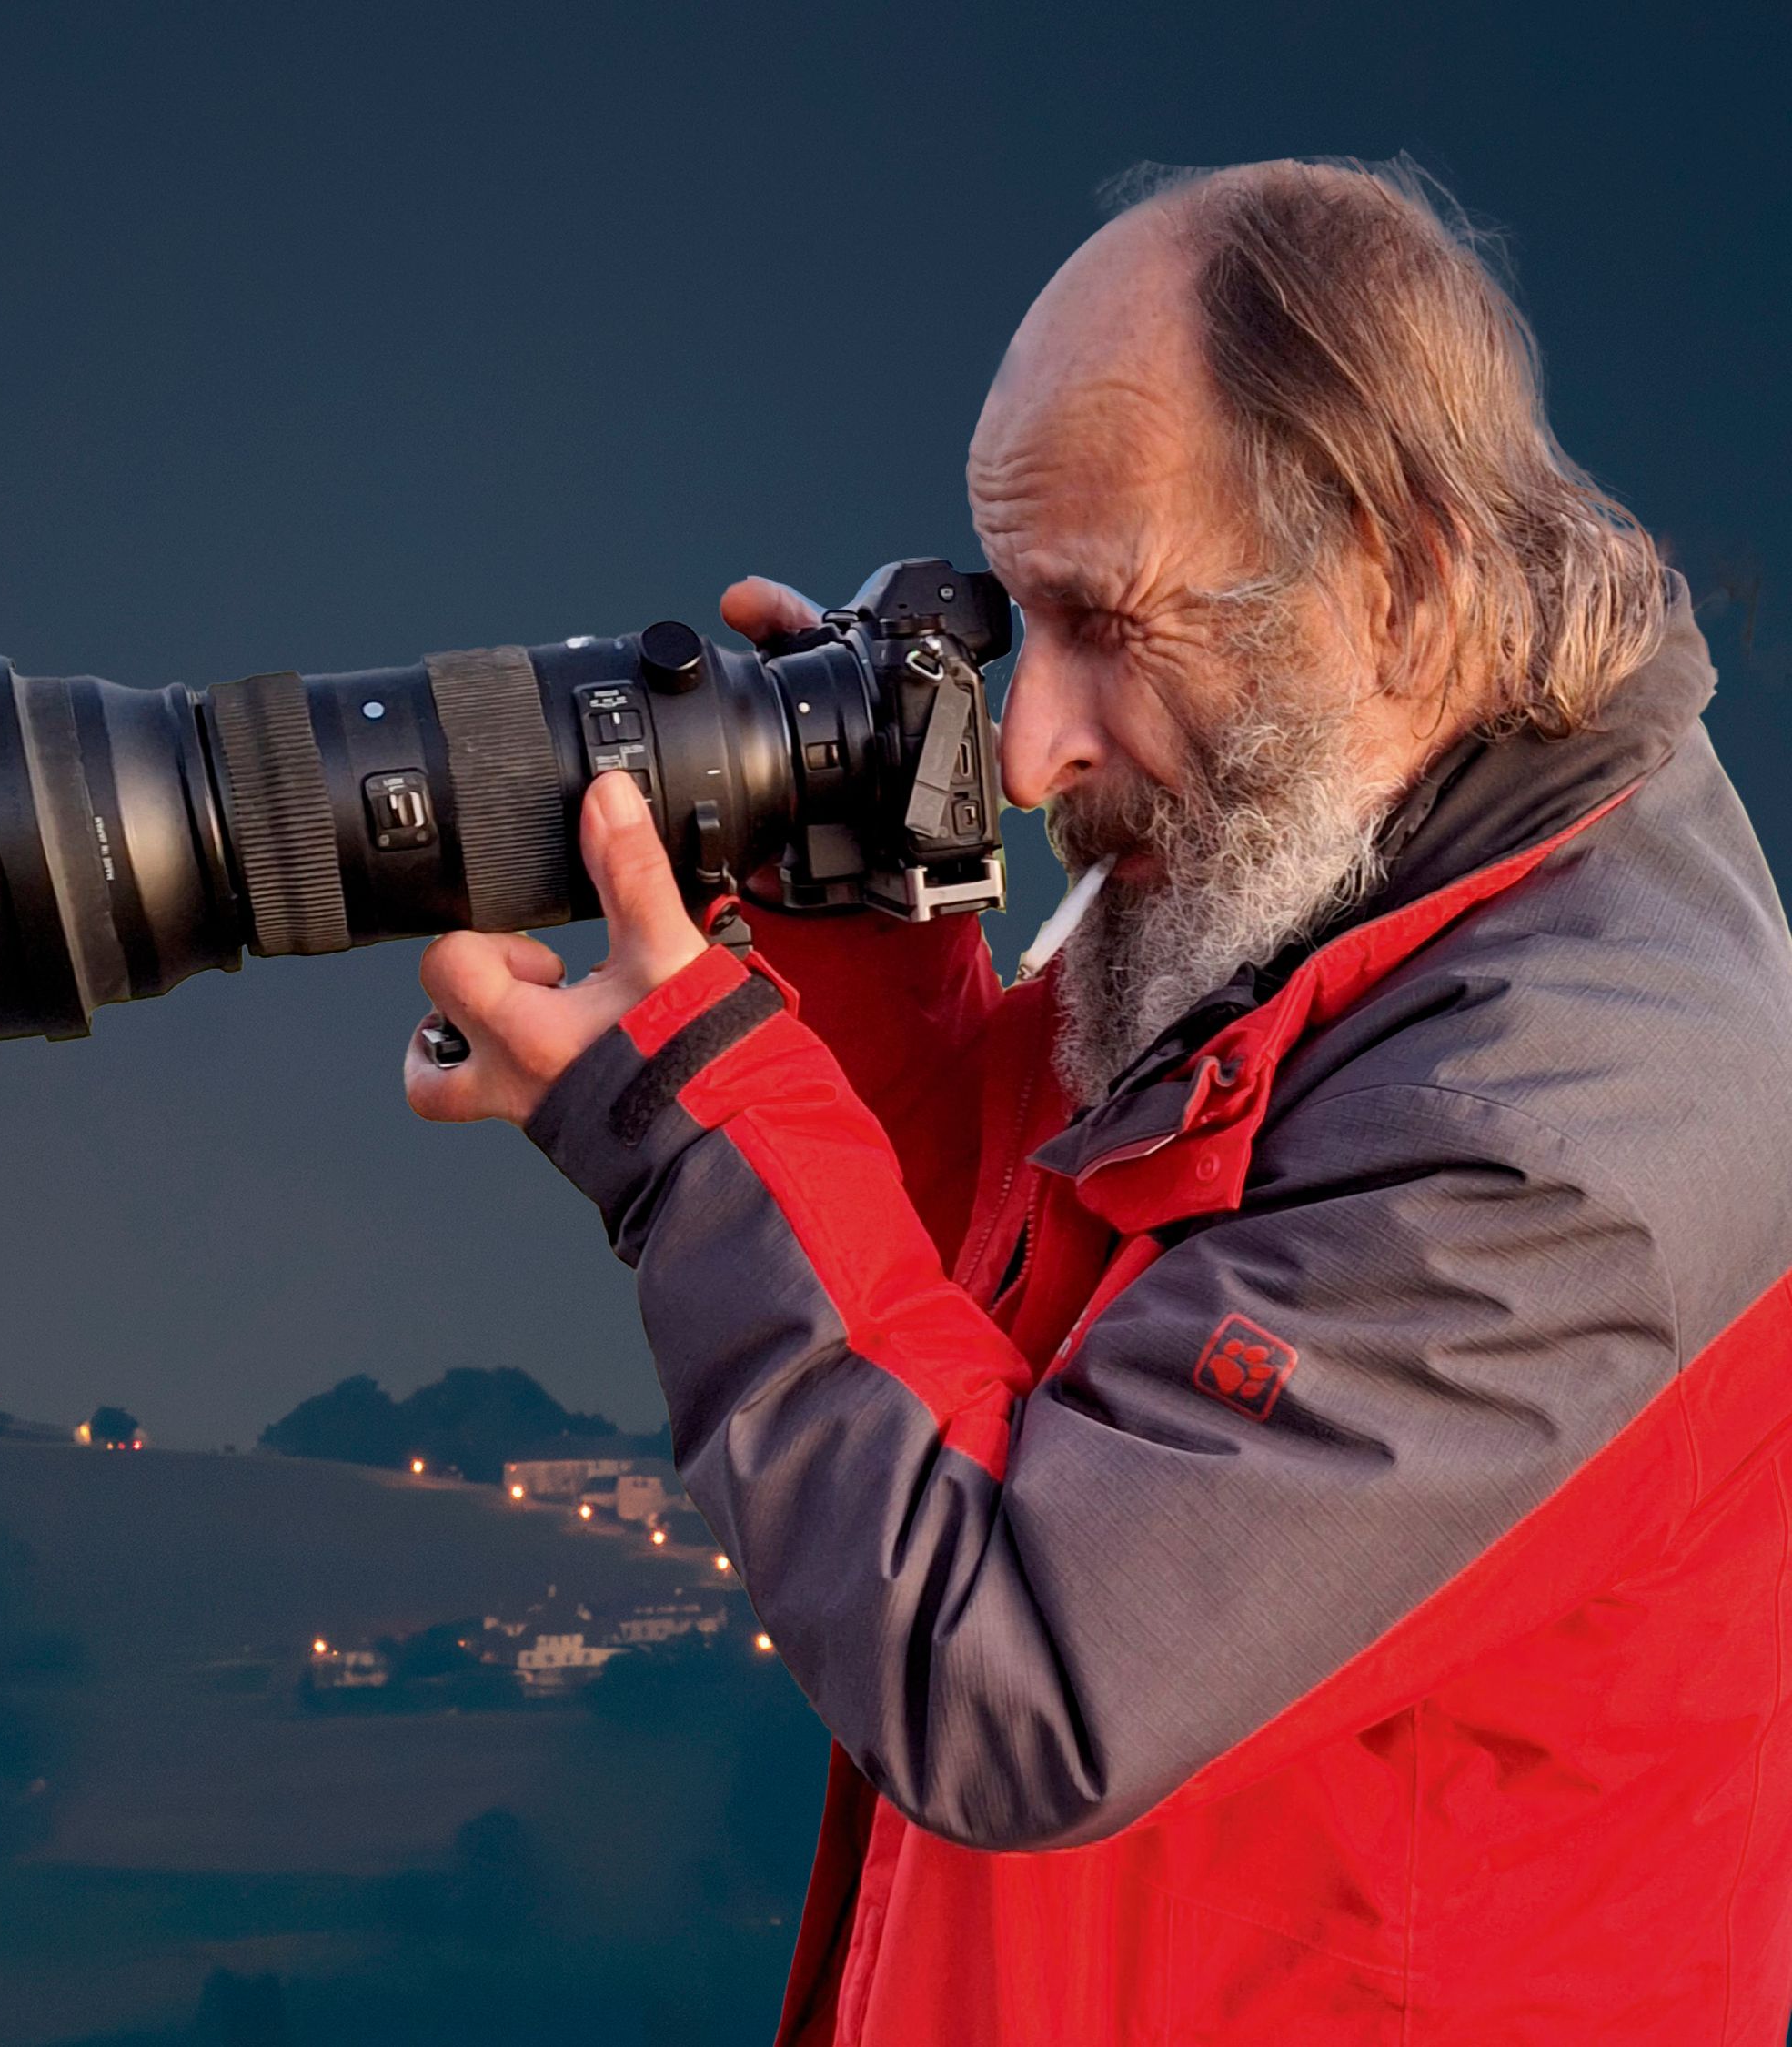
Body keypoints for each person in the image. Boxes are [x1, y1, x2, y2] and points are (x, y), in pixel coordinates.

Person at [407, 157, 1792, 2042]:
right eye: (1008, 625)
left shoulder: (1580, 1120)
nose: (1033, 756)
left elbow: (1016, 1672)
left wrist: (694, 1138)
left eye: (1105, 624)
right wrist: (851, 972)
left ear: (1394, 580)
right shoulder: (1316, 862)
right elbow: (1022, 1352)